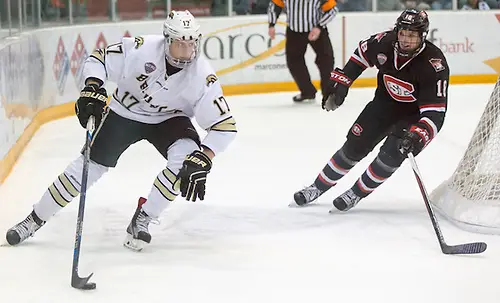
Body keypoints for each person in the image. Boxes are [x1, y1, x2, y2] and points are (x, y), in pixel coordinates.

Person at [5, 10, 237, 251]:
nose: (187, 51)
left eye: (192, 44)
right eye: (180, 44)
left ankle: (143, 217)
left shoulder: (202, 74)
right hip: (125, 112)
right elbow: (99, 59)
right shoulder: (140, 49)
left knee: (187, 161)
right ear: (167, 40)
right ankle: (34, 219)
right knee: (87, 167)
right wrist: (92, 86)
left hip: (170, 119)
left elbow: (225, 126)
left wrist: (204, 155)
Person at [292, 9, 448, 212]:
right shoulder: (384, 42)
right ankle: (317, 186)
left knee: (390, 156)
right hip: (383, 106)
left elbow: (435, 114)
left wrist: (420, 134)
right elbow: (360, 56)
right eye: (403, 33)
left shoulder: (434, 65)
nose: (405, 40)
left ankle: (356, 193)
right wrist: (343, 82)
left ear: (423, 36)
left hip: (413, 116)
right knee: (353, 147)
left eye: (412, 35)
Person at [267, 0, 337, 103]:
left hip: (316, 29)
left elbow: (332, 10)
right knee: (294, 61)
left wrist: (319, 26)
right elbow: (275, 5)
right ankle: (307, 91)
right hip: (294, 30)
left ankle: (328, 93)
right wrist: (272, 24)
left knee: (326, 59)